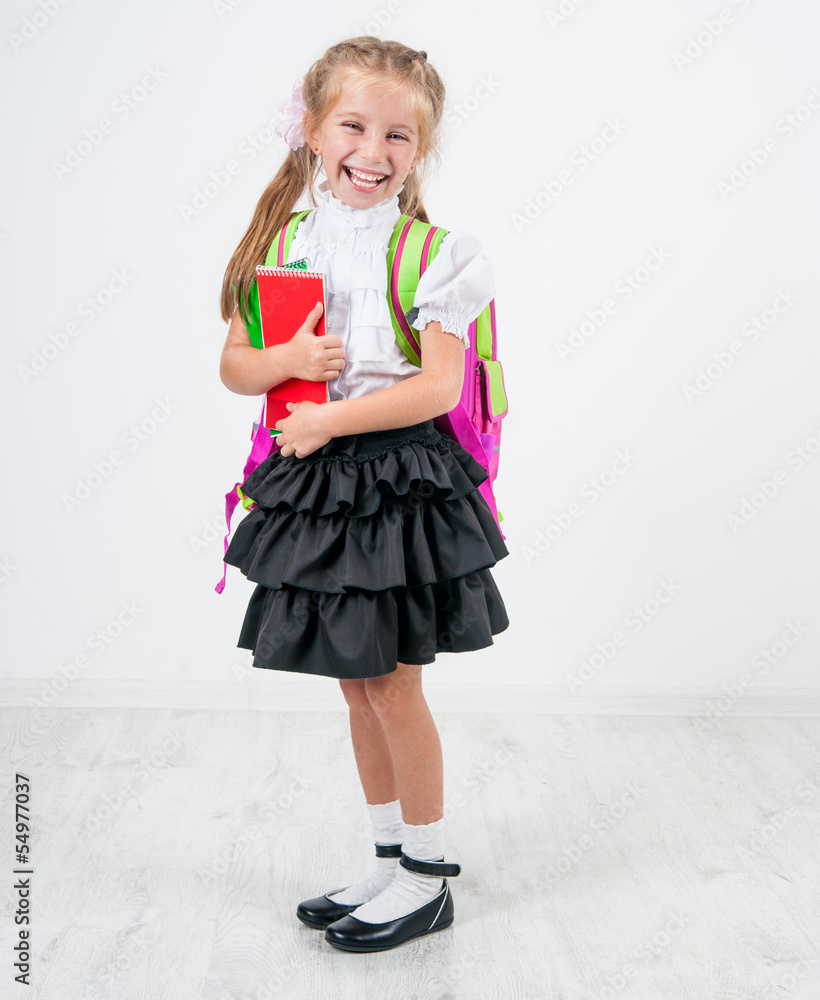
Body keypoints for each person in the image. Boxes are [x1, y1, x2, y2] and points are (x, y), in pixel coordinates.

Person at [218, 36, 509, 952]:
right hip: (320, 479)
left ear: (421, 150)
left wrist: (327, 422)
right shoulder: (286, 243)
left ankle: (426, 878)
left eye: (398, 135)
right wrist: (288, 360)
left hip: (397, 481)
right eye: (353, 125)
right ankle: (388, 862)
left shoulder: (437, 253)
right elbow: (235, 366)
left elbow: (438, 388)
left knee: (391, 684)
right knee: (355, 683)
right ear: (312, 130)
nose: (373, 151)